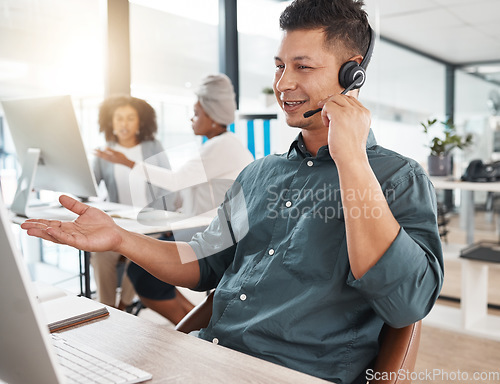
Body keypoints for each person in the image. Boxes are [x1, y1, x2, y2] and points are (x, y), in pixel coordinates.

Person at [22, 1, 444, 383]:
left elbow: (406, 305)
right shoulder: (258, 174)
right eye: (280, 66)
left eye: (303, 67)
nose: (283, 85)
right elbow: (204, 263)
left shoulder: (397, 178)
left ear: (352, 73)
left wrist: (350, 155)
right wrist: (120, 237)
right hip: (208, 357)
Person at [102, 74, 254, 324]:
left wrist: (127, 162)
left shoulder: (222, 146)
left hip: (215, 236)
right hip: (207, 228)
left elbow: (176, 181)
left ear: (212, 115)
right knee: (144, 270)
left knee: (143, 274)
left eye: (195, 113)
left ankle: (192, 330)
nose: (191, 119)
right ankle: (196, 325)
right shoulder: (220, 144)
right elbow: (192, 189)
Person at [91, 95, 179, 310]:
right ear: (110, 122)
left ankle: (125, 305)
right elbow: (90, 187)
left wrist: (169, 224)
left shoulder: (153, 147)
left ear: (141, 122)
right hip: (119, 225)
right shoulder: (106, 151)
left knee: (138, 253)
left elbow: (169, 183)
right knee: (100, 254)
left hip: (151, 225)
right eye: (119, 118)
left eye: (130, 118)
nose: (124, 123)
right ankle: (107, 306)